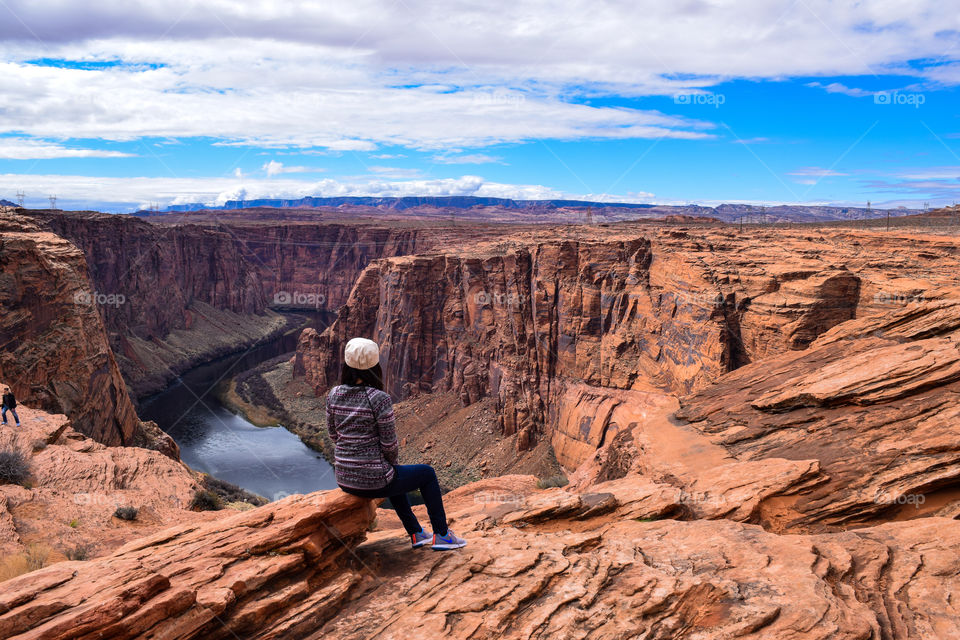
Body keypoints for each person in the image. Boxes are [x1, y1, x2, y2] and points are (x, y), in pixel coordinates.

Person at [327, 337, 466, 550]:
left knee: (391, 474)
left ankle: (417, 533)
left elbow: (333, 435)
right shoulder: (379, 398)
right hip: (374, 479)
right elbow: (389, 445)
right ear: (375, 366)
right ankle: (442, 535)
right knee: (426, 474)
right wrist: (386, 464)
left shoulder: (334, 394)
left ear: (346, 363)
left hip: (344, 479)